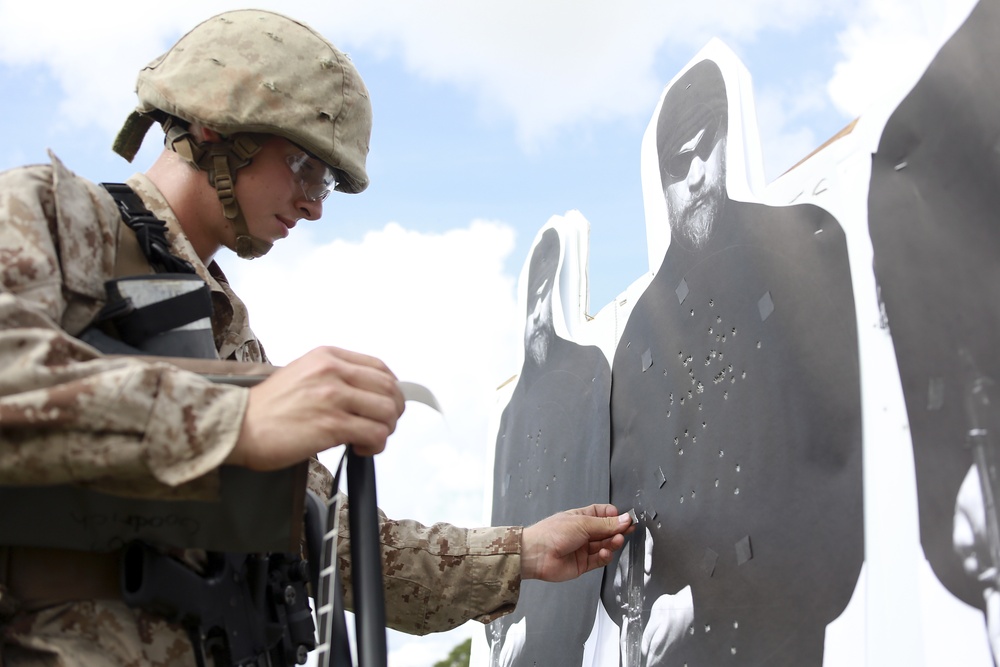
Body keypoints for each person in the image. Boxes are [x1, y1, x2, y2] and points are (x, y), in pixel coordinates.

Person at [0, 9, 633, 666]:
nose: (314, 204)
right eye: (302, 165)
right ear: (216, 126)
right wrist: (234, 418)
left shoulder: (231, 342)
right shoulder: (53, 214)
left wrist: (521, 553)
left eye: (324, 181)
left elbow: (340, 544)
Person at [602, 58, 864, 666]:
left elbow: (835, 475)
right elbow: (626, 511)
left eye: (706, 147)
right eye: (677, 163)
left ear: (727, 140)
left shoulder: (806, 244)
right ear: (660, 179)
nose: (695, 175)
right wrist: (635, 605)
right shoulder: (640, 334)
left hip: (783, 635)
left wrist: (707, 601)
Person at [486, 227, 611, 666]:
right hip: (513, 623)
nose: (537, 307)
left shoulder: (587, 366)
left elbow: (598, 486)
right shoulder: (508, 415)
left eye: (545, 288)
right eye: (532, 292)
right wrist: (500, 633)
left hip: (568, 622)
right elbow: (500, 519)